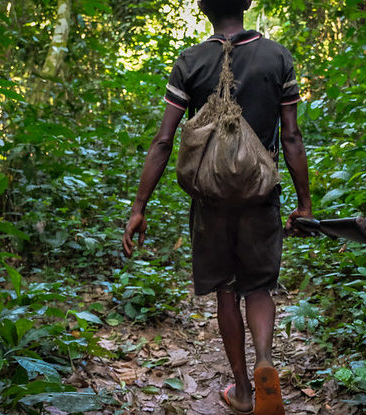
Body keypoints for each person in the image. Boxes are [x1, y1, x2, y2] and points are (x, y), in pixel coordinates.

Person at [122, 1, 312, 413]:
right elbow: (292, 138)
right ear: (246, 3)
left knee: (226, 291)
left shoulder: (190, 62)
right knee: (258, 287)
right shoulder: (277, 57)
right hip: (260, 196)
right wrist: (304, 203)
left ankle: (243, 390)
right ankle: (265, 359)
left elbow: (164, 141)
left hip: (210, 203)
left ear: (204, 7)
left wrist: (139, 205)